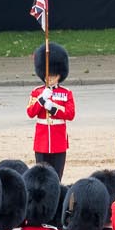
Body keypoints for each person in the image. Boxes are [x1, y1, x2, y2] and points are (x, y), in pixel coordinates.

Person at [28, 43, 74, 176]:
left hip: (58, 141)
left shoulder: (66, 93)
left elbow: (70, 114)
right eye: (48, 75)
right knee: (41, 177)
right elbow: (31, 112)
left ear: (60, 75)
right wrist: (42, 100)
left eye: (54, 75)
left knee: (57, 177)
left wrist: (53, 108)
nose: (50, 78)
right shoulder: (37, 92)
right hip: (41, 142)